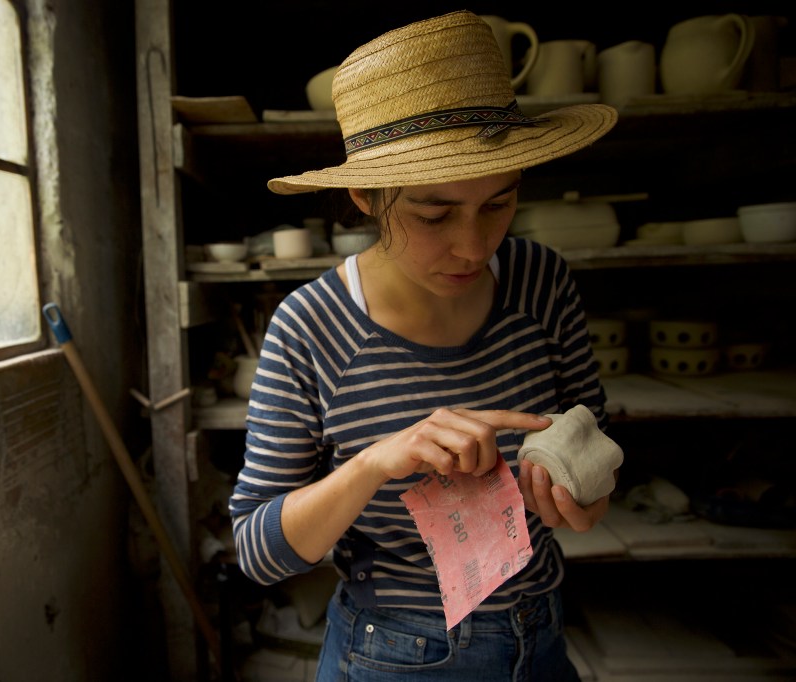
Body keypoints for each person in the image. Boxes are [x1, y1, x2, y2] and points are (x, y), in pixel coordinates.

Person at [230, 10, 619, 682]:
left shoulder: (541, 281)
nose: (473, 246)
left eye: (498, 204)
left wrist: (581, 496)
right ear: (364, 196)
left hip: (541, 634)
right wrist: (374, 464)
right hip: (395, 654)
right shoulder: (311, 327)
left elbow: (595, 440)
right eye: (434, 214)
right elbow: (256, 553)